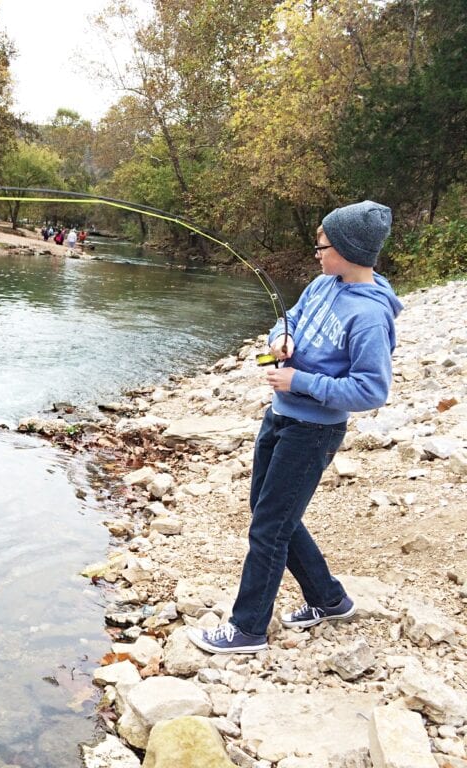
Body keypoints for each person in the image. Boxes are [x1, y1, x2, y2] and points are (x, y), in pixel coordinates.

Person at [188, 200, 403, 655]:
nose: (317, 252)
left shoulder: (368, 316)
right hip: (280, 415)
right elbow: (286, 323)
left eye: (322, 245)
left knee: (269, 527)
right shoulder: (324, 285)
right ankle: (329, 599)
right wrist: (279, 342)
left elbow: (371, 390)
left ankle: (247, 629)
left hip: (313, 433)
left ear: (346, 249)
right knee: (271, 514)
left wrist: (299, 380)